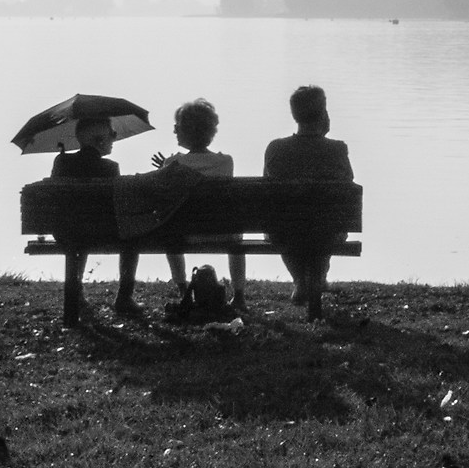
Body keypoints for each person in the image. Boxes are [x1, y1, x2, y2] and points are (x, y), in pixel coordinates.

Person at [262, 84, 356, 302]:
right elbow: (347, 185)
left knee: (286, 223)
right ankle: (317, 278)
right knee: (326, 221)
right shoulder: (337, 149)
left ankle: (301, 280)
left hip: (284, 231)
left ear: (295, 114)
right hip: (327, 230)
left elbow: (267, 191)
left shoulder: (275, 148)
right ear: (323, 112)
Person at [148, 98, 241, 309]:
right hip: (222, 232)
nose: (174, 131)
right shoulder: (226, 162)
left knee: (168, 227)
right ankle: (240, 295)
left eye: (177, 127)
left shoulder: (173, 163)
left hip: (183, 234)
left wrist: (164, 167)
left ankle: (183, 290)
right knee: (238, 233)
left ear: (186, 131)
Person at [46, 116, 141, 313]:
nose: (114, 139)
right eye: (112, 134)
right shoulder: (110, 167)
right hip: (101, 231)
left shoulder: (61, 161)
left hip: (66, 231)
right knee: (132, 236)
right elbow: (115, 206)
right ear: (100, 140)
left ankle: (77, 292)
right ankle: (124, 298)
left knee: (80, 230)